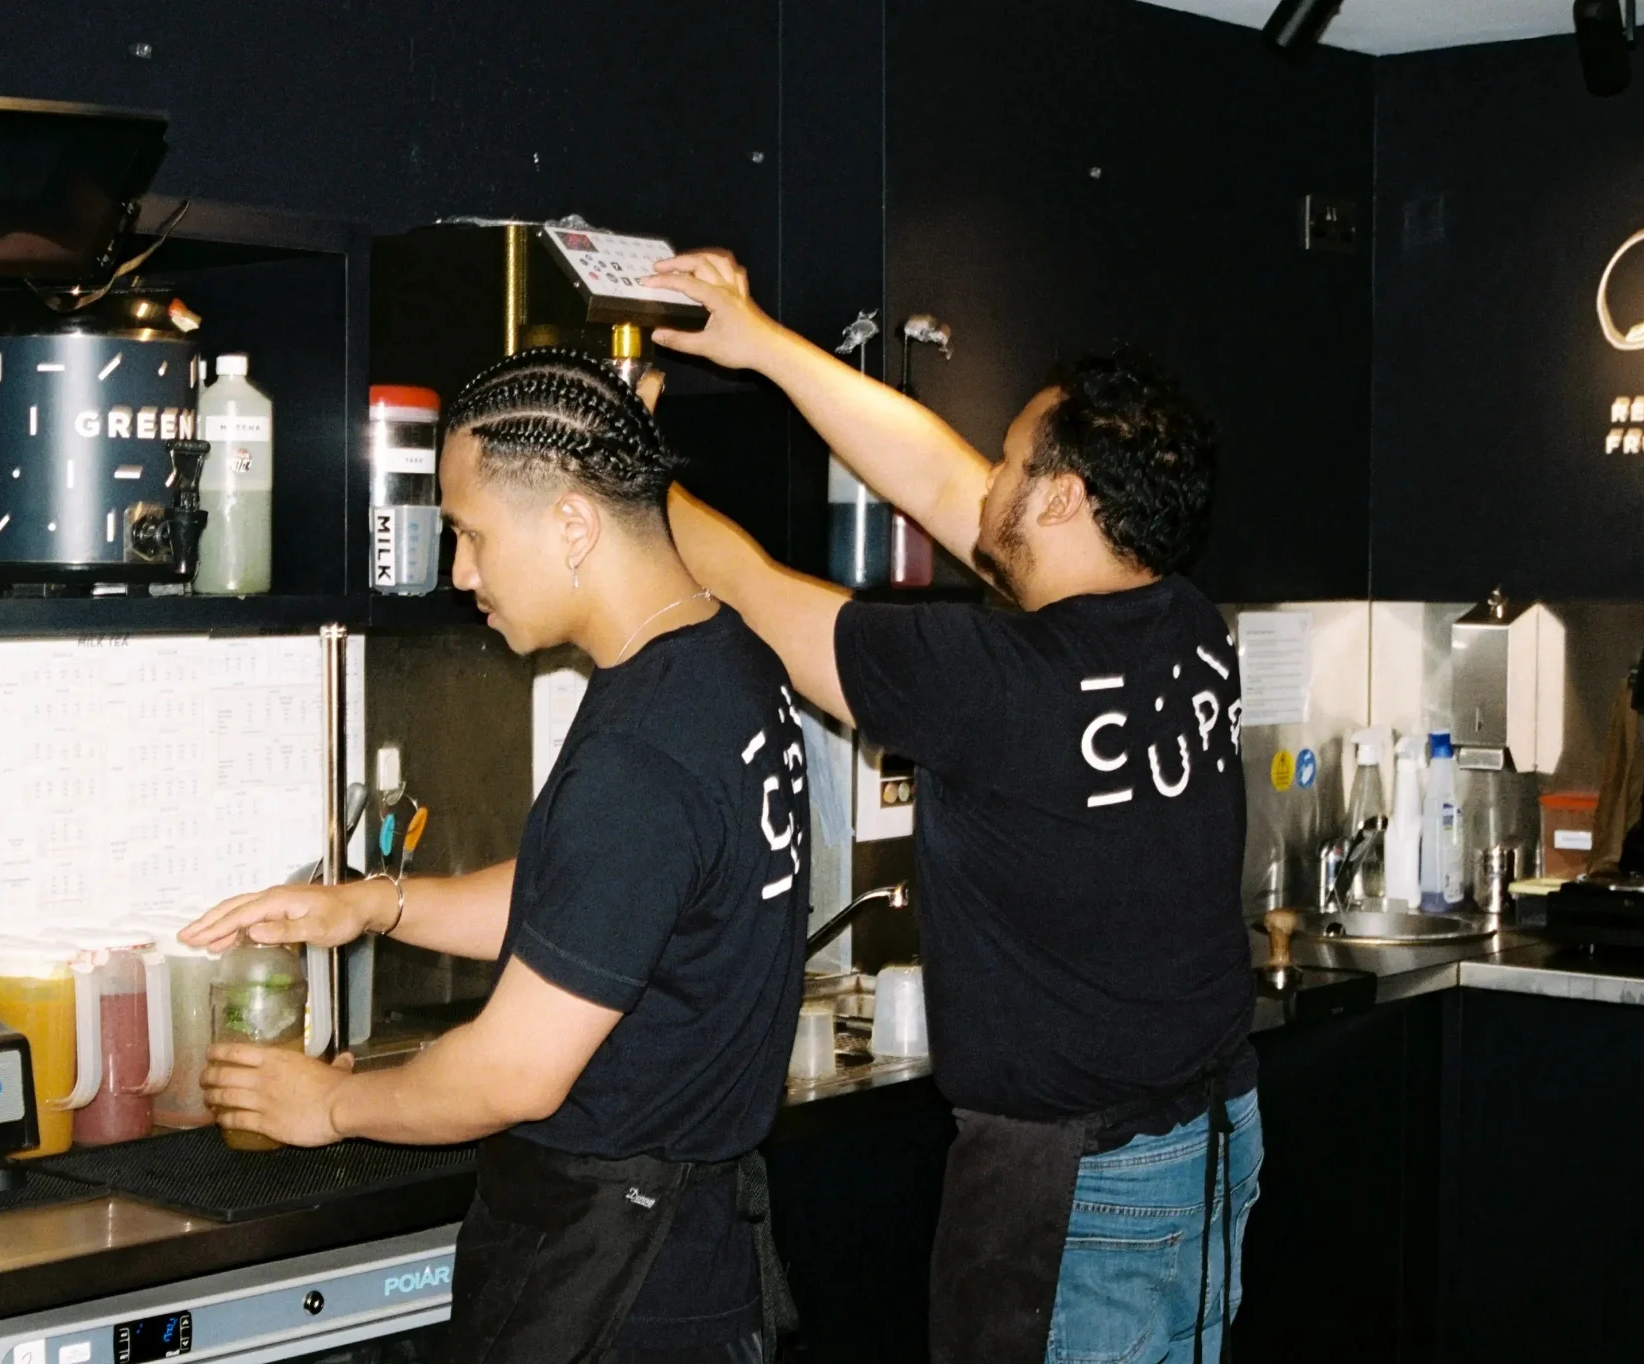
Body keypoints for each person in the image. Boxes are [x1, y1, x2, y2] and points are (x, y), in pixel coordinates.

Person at [641, 249, 1260, 1364]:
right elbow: (939, 481)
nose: (985, 482)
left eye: (1013, 461)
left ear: (1065, 496)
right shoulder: (1184, 623)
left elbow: (753, 593)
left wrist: (632, 471)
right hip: (1208, 1137)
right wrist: (760, 342)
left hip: (1078, 1189)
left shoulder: (989, 676)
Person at [183, 348, 809, 1364]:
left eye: (470, 533)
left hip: (621, 1281)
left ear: (570, 522)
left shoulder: (641, 751)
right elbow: (594, 903)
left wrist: (329, 1102)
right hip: (691, 1251)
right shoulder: (723, 664)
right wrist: (379, 904)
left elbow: (513, 1072)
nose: (460, 569)